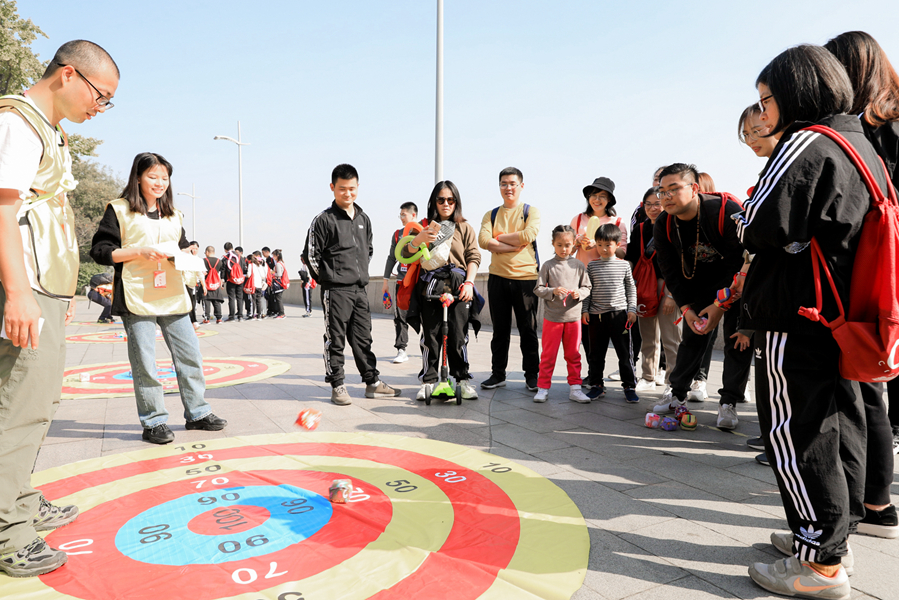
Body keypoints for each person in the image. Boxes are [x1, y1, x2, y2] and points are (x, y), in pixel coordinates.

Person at [737, 45, 887, 598]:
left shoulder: (805, 141)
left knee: (796, 433)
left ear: (794, 94)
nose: (762, 114)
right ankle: (831, 539)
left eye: (765, 101)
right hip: (839, 315)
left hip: (795, 312)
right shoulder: (860, 143)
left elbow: (756, 224)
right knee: (838, 424)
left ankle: (819, 561)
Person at [0, 40, 118, 578]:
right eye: (101, 95)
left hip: (42, 288)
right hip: (22, 286)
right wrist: (19, 293)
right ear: (68, 75)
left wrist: (58, 293)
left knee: (38, 398)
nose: (101, 107)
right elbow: (2, 213)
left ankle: (19, 500)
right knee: (20, 404)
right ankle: (7, 530)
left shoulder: (50, 131)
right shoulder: (17, 124)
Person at [90, 152, 227, 446]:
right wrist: (139, 251)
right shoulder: (119, 210)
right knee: (145, 361)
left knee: (190, 354)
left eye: (164, 177)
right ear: (138, 178)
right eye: (152, 176)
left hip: (172, 292)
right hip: (137, 293)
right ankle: (154, 421)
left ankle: (198, 413)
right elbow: (100, 251)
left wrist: (187, 253)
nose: (159, 182)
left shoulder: (173, 214)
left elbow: (180, 245)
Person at [825, 29, 899, 540]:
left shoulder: (869, 127)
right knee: (871, 382)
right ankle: (876, 501)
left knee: (863, 383)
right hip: (886, 265)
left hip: (870, 265)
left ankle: (872, 505)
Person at [650, 163, 752, 430]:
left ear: (694, 188)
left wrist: (720, 305)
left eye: (674, 189)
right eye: (661, 191)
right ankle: (677, 394)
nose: (666, 197)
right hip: (698, 285)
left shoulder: (725, 212)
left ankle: (728, 402)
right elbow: (669, 270)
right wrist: (686, 308)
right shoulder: (664, 223)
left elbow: (739, 262)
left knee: (737, 342)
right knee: (693, 338)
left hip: (737, 284)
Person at [303, 164, 401, 405]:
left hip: (359, 289)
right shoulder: (323, 220)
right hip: (336, 290)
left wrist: (359, 273)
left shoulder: (363, 218)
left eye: (352, 188)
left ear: (358, 187)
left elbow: (368, 250)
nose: (347, 193)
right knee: (335, 339)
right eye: (342, 188)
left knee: (363, 338)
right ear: (332, 188)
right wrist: (328, 278)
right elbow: (311, 256)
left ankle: (372, 383)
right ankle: (337, 385)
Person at [401, 182, 481, 401]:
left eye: (451, 200)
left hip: (459, 284)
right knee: (431, 336)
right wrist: (419, 240)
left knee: (458, 335)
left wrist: (469, 283)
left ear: (456, 202)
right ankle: (428, 381)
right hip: (431, 284)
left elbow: (474, 257)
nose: (446, 204)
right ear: (434, 202)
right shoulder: (424, 226)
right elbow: (405, 254)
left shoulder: (464, 228)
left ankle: (462, 379)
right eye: (441, 199)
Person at [477, 167, 541, 391]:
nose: (508, 188)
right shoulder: (491, 214)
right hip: (498, 277)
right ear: (499, 187)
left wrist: (499, 239)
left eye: (512, 183)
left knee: (528, 330)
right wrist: (513, 245)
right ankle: (498, 374)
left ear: (521, 186)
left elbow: (528, 235)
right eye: (504, 184)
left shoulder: (531, 211)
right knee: (500, 330)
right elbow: (483, 241)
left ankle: (532, 375)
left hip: (526, 278)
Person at [570, 177, 631, 387]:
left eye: (602, 196)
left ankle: (627, 378)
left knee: (613, 335)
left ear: (609, 200)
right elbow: (566, 249)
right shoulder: (578, 219)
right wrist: (577, 241)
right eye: (594, 195)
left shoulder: (618, 222)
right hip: (581, 280)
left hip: (608, 283)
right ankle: (593, 374)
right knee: (587, 330)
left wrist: (600, 245)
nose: (597, 199)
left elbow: (623, 253)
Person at [624, 188, 681, 395]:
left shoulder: (675, 226)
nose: (653, 208)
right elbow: (631, 257)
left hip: (667, 286)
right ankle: (648, 376)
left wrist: (672, 295)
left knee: (671, 337)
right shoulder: (640, 229)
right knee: (648, 336)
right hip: (644, 287)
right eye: (648, 204)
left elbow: (679, 262)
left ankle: (674, 382)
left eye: (657, 203)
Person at [533, 225, 591, 403]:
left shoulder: (579, 265)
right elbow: (538, 289)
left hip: (573, 318)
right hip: (552, 318)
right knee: (548, 355)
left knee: (573, 354)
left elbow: (587, 287)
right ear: (553, 244)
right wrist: (553, 291)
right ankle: (543, 388)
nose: (564, 249)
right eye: (559, 245)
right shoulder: (548, 265)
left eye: (567, 245)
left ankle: (575, 388)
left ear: (574, 244)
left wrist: (579, 293)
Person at [582, 224, 638, 402]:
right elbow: (587, 290)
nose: (603, 249)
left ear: (618, 245)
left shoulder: (624, 266)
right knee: (595, 354)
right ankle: (596, 385)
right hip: (596, 317)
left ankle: (629, 386)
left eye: (608, 245)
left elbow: (631, 289)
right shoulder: (592, 266)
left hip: (619, 315)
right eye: (599, 245)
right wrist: (585, 310)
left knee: (625, 354)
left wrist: (632, 309)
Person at [382, 201, 418, 364]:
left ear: (413, 215)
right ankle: (401, 349)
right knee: (400, 316)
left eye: (404, 215)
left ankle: (429, 349)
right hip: (401, 281)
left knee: (425, 317)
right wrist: (385, 281)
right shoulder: (397, 234)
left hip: (418, 281)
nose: (402, 218)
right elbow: (391, 258)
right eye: (400, 215)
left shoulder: (421, 231)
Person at [221, 242, 245, 322]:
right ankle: (240, 316)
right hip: (240, 280)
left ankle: (232, 317)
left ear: (225, 249)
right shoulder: (239, 257)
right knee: (240, 298)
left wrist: (223, 279)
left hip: (231, 280)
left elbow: (223, 270)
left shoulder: (225, 258)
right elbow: (244, 267)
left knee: (231, 298)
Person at [201, 245, 224, 324]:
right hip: (216, 284)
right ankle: (219, 318)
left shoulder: (204, 261)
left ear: (207, 252)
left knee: (206, 301)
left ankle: (206, 319)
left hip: (207, 284)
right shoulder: (219, 261)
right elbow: (221, 271)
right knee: (216, 301)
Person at [184, 241, 201, 330]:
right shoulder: (186, 258)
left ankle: (193, 321)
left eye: (196, 249)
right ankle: (193, 321)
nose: (194, 250)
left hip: (195, 284)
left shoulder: (198, 259)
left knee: (193, 303)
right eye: (192, 248)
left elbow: (200, 273)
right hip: (187, 283)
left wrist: (203, 284)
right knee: (189, 303)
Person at [270, 249, 287, 319]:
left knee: (278, 299)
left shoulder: (278, 264)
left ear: (277, 255)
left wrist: (272, 273)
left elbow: (279, 274)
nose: (273, 257)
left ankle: (282, 313)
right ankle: (280, 313)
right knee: (278, 298)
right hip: (280, 283)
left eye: (274, 255)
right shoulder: (282, 263)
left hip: (278, 283)